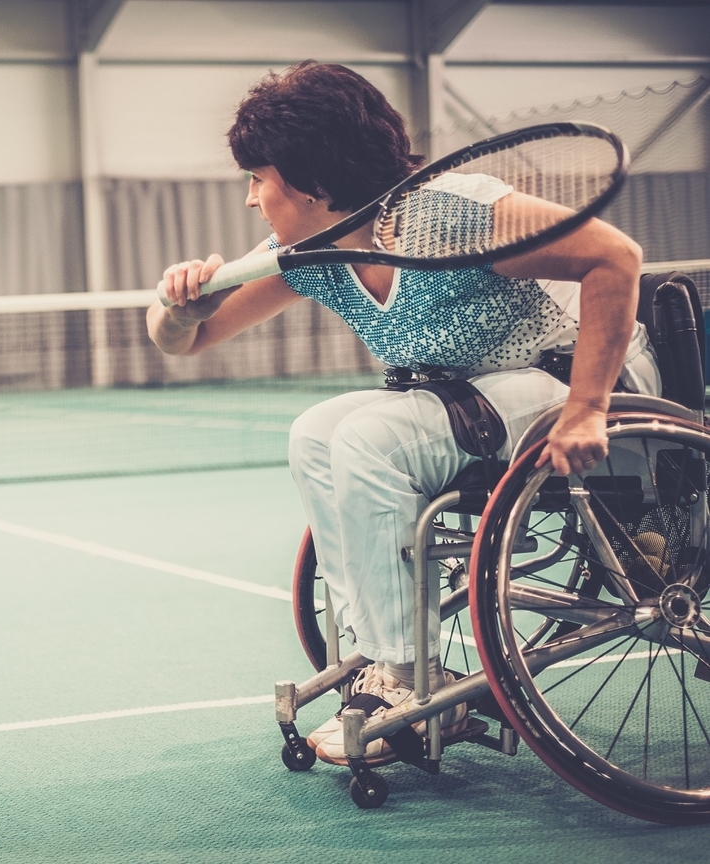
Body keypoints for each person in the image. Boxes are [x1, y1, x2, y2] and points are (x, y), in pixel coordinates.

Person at [147, 62, 661, 765]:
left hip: (565, 379)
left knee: (370, 438)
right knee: (316, 434)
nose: (251, 199)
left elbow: (615, 258)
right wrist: (179, 306)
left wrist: (588, 409)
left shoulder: (456, 212)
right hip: (465, 399)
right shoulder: (309, 251)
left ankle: (410, 679)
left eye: (259, 178)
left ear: (313, 180)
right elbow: (187, 339)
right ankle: (381, 654)